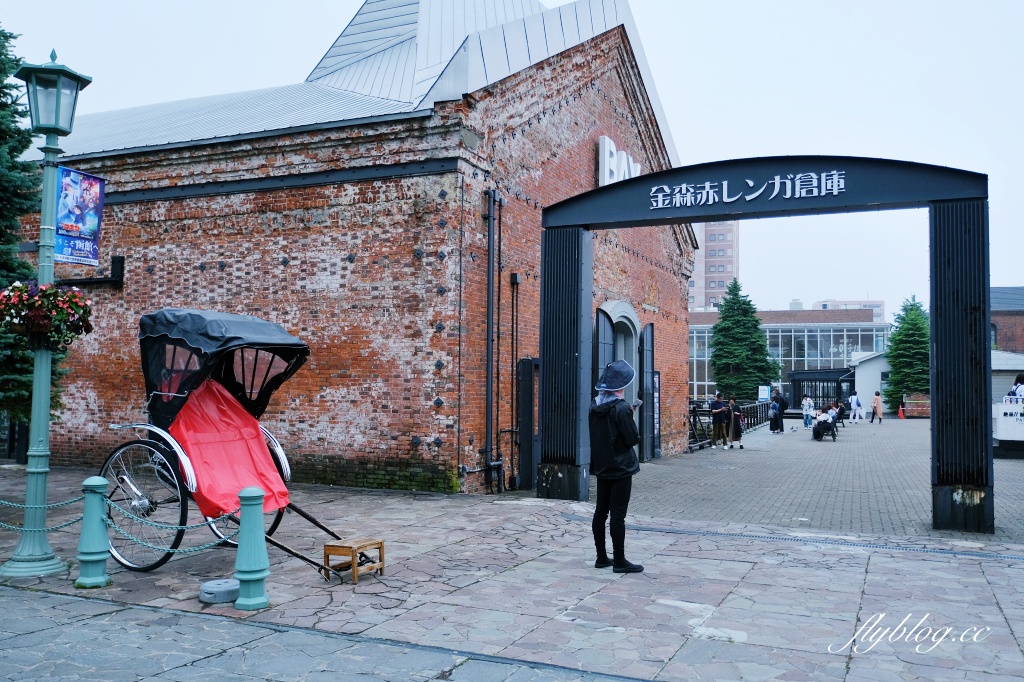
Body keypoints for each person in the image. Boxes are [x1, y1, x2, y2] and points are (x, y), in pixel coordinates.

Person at [589, 360, 643, 574]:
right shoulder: (620, 408)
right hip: (620, 468)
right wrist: (630, 416)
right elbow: (632, 438)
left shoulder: (595, 406)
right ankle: (619, 560)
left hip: (602, 465)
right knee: (618, 515)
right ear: (621, 385)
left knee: (601, 512)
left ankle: (601, 557)